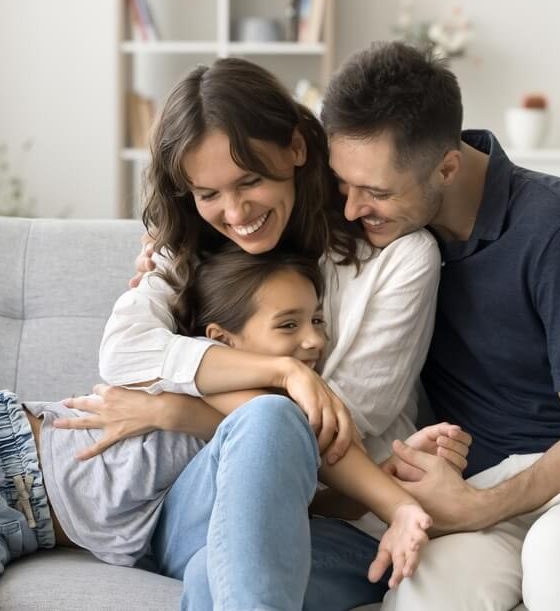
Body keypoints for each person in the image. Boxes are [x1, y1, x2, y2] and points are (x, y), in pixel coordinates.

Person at [51, 57, 469, 610]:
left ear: (296, 150)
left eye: (250, 181)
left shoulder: (400, 257)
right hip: (198, 504)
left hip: (335, 519)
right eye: (208, 193)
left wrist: (176, 410)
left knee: (212, 579)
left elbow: (334, 423)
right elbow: (124, 351)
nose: (235, 211)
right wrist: (283, 371)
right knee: (271, 418)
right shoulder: (195, 244)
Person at [0, 244, 442, 586]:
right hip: (18, 455)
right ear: (221, 339)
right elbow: (320, 443)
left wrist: (374, 490)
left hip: (31, 526)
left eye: (317, 321)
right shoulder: (208, 374)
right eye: (289, 325)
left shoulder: (244, 413)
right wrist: (398, 506)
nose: (314, 341)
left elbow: (294, 490)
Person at [318, 40, 560, 610]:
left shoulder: (548, 228)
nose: (351, 210)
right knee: (420, 595)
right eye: (342, 185)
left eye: (375, 192)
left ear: (447, 167)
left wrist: (483, 506)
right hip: (469, 491)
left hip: (540, 486)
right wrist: (165, 248)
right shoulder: (374, 221)